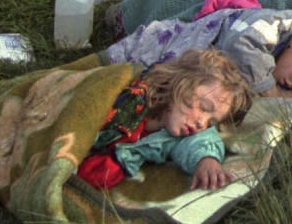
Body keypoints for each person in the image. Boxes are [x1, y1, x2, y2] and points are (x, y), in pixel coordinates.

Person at [77, 49, 252, 191]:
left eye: (211, 121)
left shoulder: (177, 132)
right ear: (182, 83)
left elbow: (203, 139)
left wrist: (207, 160)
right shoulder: (130, 99)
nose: (202, 122)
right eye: (204, 107)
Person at [102, 11, 292, 98]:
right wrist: (274, 93)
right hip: (152, 47)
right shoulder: (281, 24)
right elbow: (241, 42)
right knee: (102, 74)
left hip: (173, 76)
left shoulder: (275, 60)